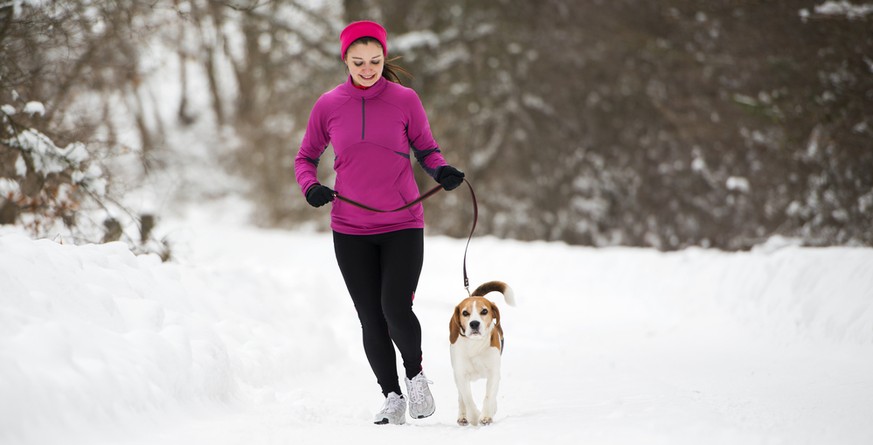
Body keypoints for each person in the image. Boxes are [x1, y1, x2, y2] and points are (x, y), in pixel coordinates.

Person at [293, 20, 465, 425]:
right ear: (345, 60)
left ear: (384, 57)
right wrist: (310, 187)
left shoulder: (405, 100)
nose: (367, 68)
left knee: (394, 305)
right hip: (350, 229)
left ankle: (416, 376)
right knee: (370, 315)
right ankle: (391, 395)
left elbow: (427, 148)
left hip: (402, 223)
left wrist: (441, 172)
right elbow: (305, 158)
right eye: (358, 61)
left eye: (375, 60)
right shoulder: (328, 104)